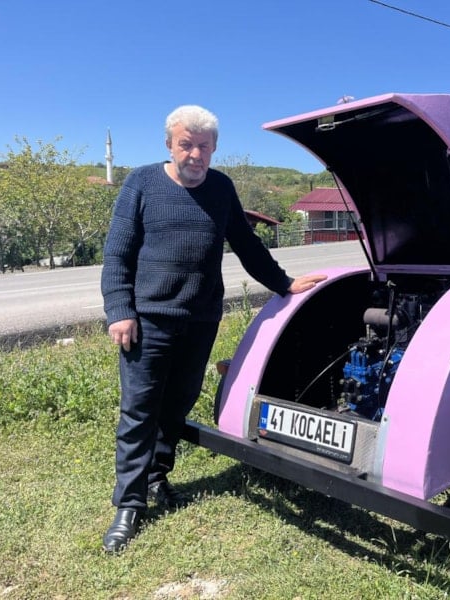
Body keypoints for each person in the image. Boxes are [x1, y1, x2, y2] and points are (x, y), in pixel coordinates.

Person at [100, 104, 326, 553]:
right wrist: (120, 309)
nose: (195, 154)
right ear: (170, 145)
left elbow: (246, 243)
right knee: (140, 410)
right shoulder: (141, 183)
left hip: (200, 320)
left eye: (204, 146)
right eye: (186, 145)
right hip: (148, 321)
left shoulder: (221, 188)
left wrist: (283, 283)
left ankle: (157, 478)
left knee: (177, 403)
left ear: (214, 148)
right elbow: (117, 254)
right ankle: (129, 504)